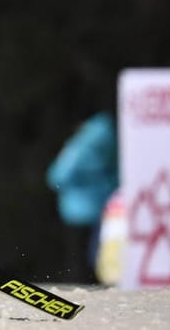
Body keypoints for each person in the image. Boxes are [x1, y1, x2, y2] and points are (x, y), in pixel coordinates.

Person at [46, 110, 117, 284]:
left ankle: (78, 291)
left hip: (77, 210)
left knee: (77, 260)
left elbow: (57, 176)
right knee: (96, 256)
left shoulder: (81, 144)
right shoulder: (110, 137)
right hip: (103, 207)